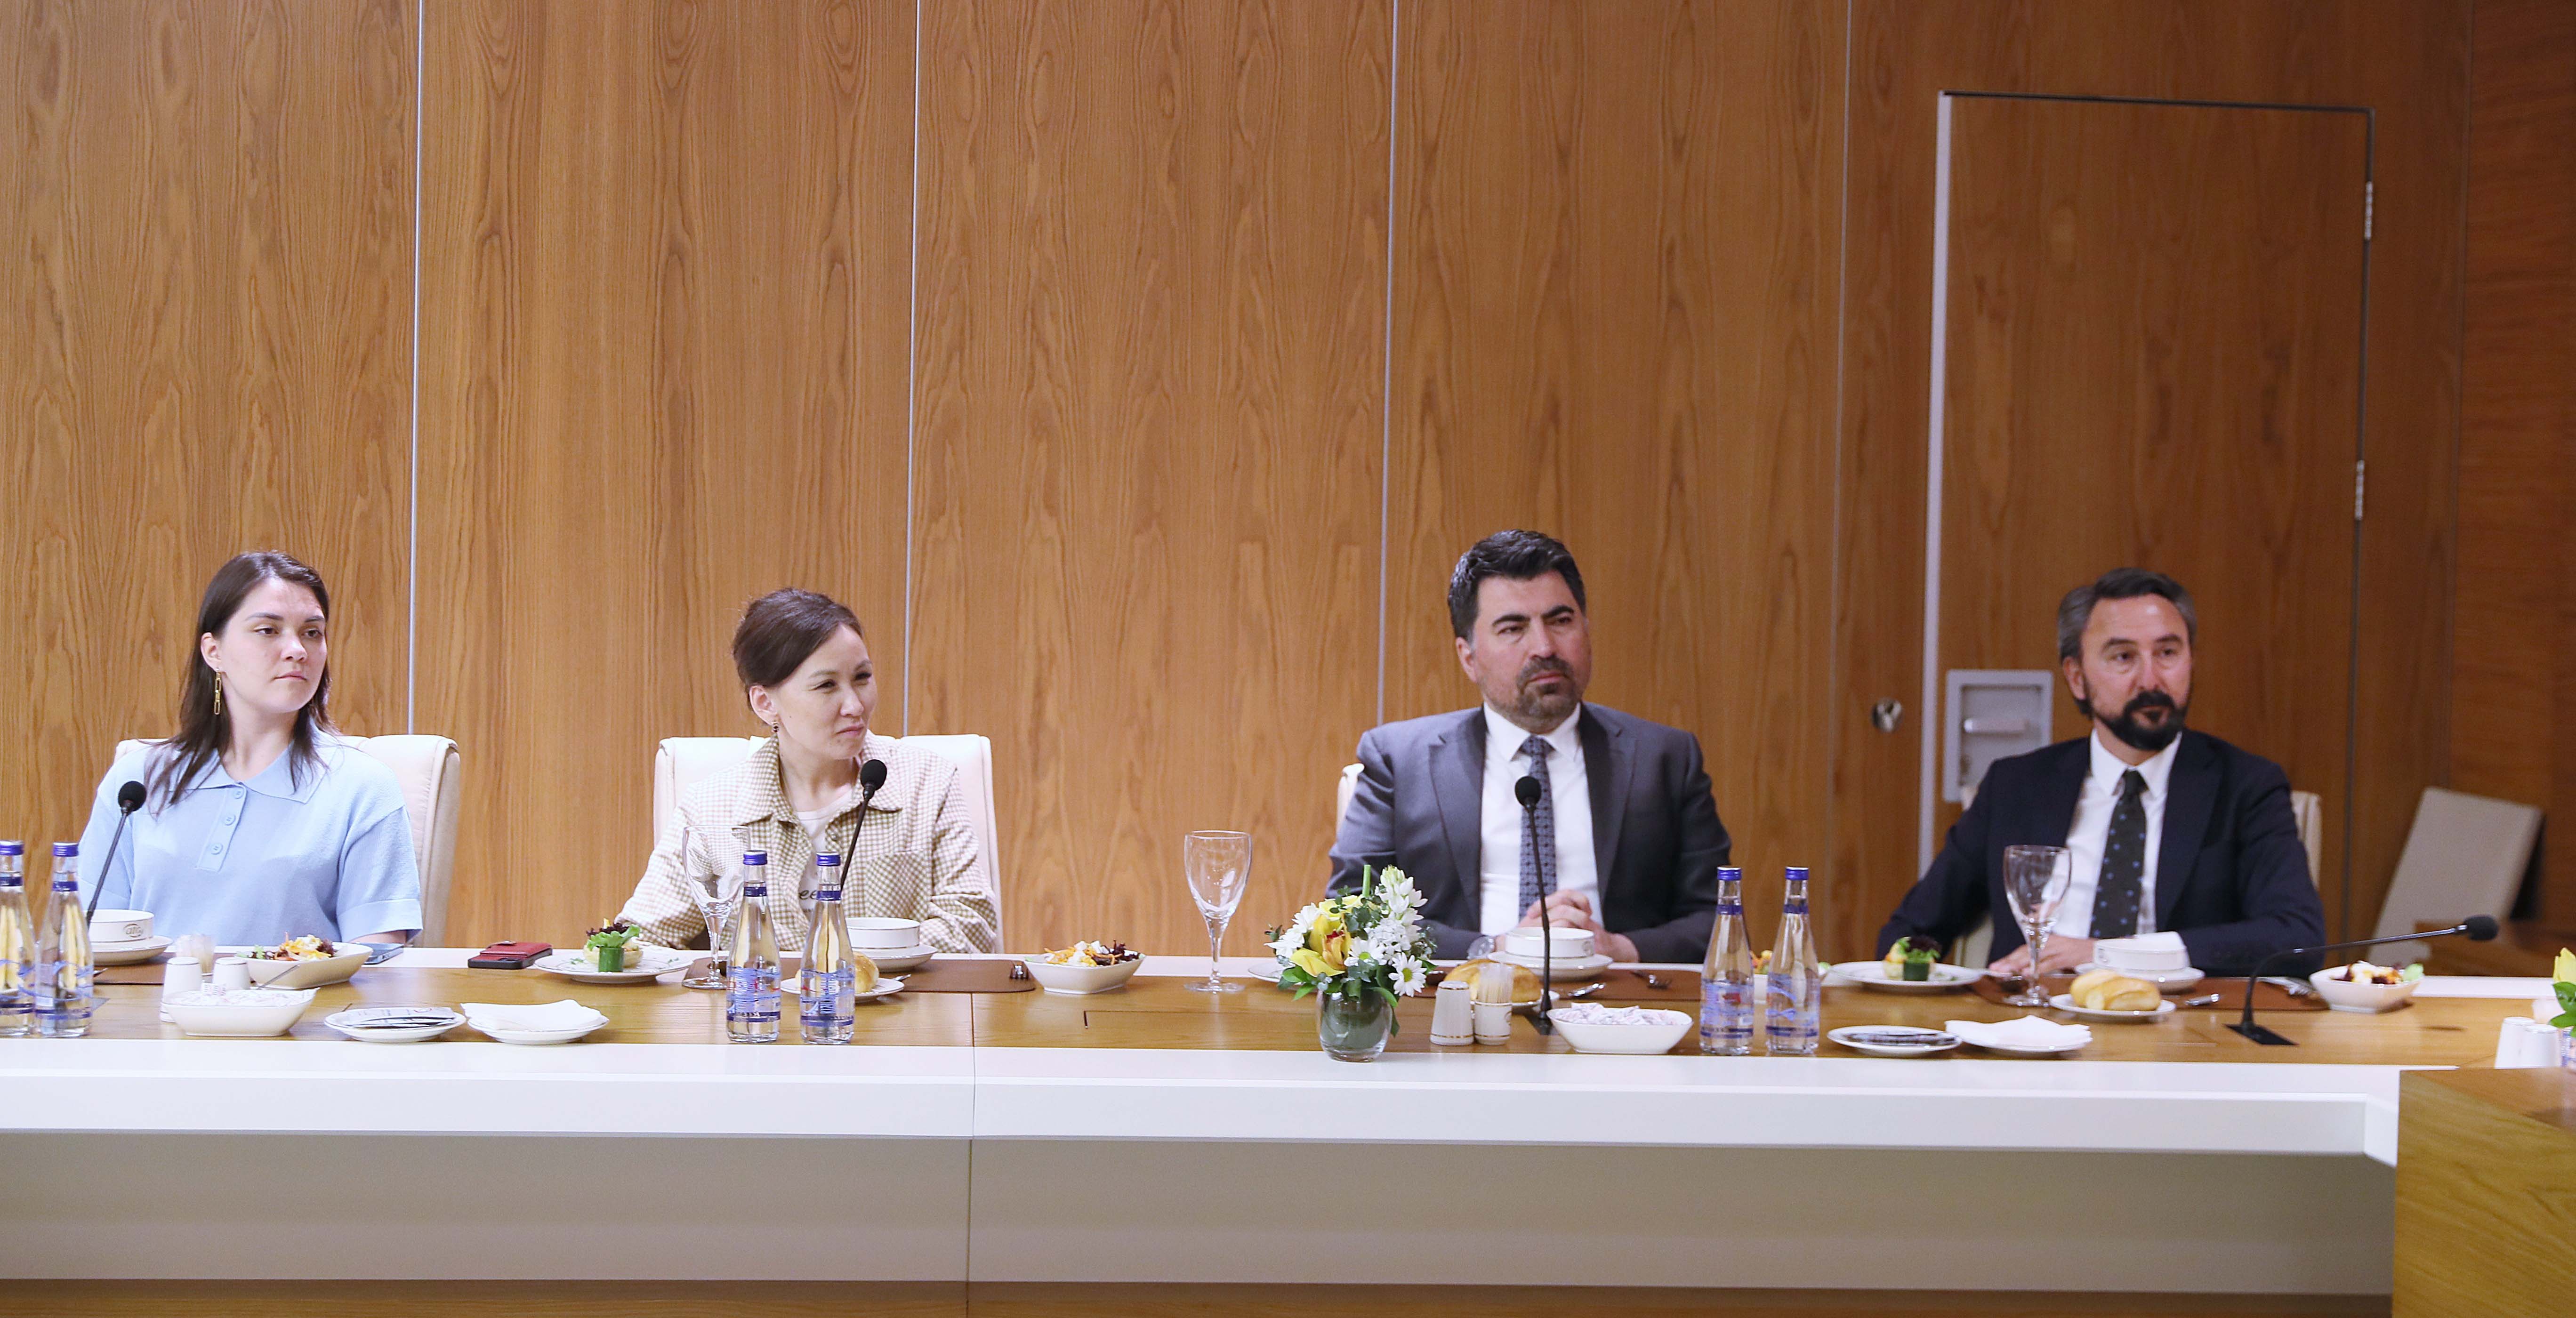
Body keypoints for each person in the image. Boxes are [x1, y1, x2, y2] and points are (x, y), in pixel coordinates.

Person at [1876, 568, 2325, 977]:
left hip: (2178, 1028)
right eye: (2123, 657)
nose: (2151, 680)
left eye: (2168, 653)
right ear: (2077, 678)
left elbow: (2296, 938)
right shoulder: (2016, 787)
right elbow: (1915, 930)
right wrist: (1914, 988)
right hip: (2032, 1025)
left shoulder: (2246, 786)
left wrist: (2105, 953)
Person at [1327, 530, 1731, 963]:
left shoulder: (1665, 759)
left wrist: (1619, 949)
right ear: (1468, 657)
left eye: (1561, 621)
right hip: (1464, 994)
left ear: (1587, 630)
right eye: (1513, 629)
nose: (1544, 647)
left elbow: (1719, 915)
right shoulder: (1399, 759)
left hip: (1617, 995)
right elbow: (1354, 910)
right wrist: (1493, 949)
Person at [617, 588, 998, 954]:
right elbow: (643, 938)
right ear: (766, 703)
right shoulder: (711, 808)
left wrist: (845, 960)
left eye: (862, 678)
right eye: (827, 685)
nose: (855, 706)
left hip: (896, 1000)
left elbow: (971, 923)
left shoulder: (927, 782)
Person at [79, 551, 421, 945]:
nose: (297, 650)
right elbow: (87, 939)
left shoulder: (363, 787)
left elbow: (378, 958)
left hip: (300, 989)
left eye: (312, 633)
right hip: (154, 988)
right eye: (268, 631)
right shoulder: (136, 782)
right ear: (214, 652)